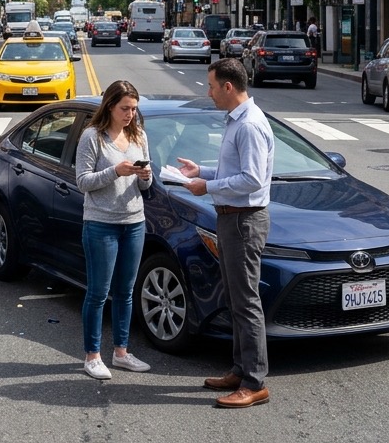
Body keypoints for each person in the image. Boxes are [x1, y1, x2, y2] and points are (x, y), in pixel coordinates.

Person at [177, 57, 275, 408]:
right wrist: (200, 170)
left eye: (212, 86)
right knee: (236, 299)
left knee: (246, 302)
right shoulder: (238, 121)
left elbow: (251, 179)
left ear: (229, 87)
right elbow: (235, 169)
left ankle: (254, 382)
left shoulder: (249, 125)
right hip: (233, 218)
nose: (209, 92)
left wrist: (209, 187)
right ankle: (239, 369)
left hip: (243, 220)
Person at [74, 79, 154, 381]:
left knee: (125, 291)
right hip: (101, 223)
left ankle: (121, 352)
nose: (130, 114)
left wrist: (145, 175)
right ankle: (91, 355)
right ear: (110, 106)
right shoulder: (92, 137)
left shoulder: (139, 134)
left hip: (134, 221)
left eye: (134, 109)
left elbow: (145, 185)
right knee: (98, 292)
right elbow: (83, 181)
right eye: (125, 108)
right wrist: (114, 171)